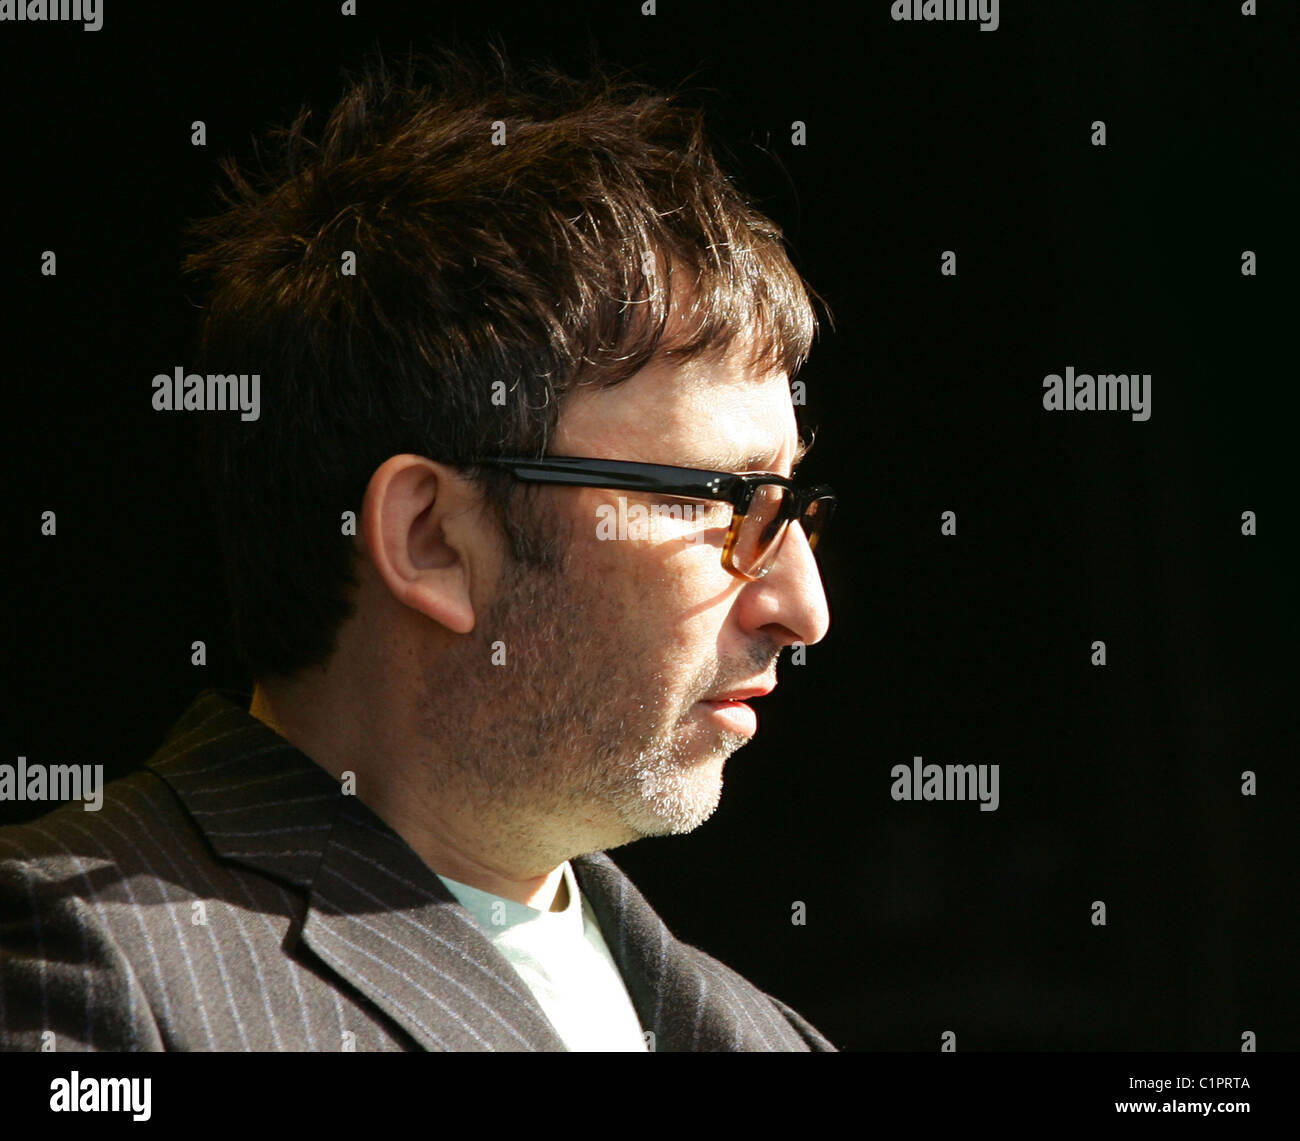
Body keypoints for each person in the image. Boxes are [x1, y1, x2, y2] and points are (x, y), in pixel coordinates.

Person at [0, 49, 836, 1052]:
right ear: (432, 539)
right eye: (725, 500)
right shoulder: (83, 968)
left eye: (792, 505)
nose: (801, 604)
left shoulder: (772, 1036)